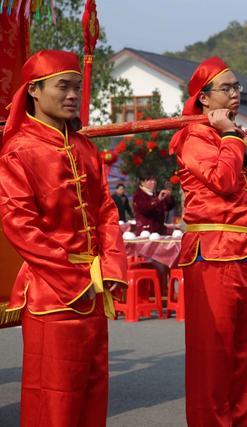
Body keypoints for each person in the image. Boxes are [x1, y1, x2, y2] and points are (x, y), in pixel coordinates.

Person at [0, 50, 128, 427]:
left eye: (77, 87)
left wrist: (110, 265)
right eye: (63, 86)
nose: (73, 95)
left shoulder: (85, 147)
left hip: (93, 286)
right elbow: (19, 223)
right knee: (54, 400)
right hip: (51, 292)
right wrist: (74, 280)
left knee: (92, 392)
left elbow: (106, 210)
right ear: (34, 91)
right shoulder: (19, 150)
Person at [169, 56, 247, 426]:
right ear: (203, 98)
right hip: (210, 256)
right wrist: (233, 139)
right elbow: (225, 180)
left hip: (243, 252)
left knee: (241, 352)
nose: (235, 95)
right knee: (212, 355)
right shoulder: (192, 136)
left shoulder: (236, 134)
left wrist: (240, 144)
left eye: (237, 87)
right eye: (226, 88)